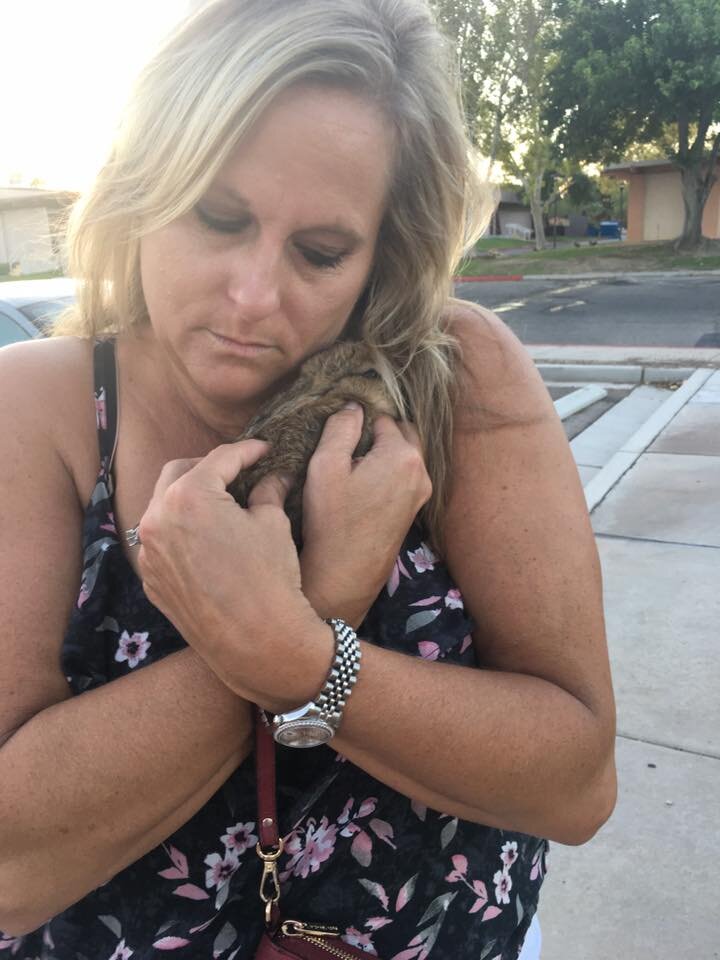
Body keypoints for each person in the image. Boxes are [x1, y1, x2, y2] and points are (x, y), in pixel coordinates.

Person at [0, 1, 617, 957]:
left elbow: (576, 785)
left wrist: (299, 658)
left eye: (321, 253)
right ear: (143, 186)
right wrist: (317, 603)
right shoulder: (32, 411)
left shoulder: (455, 380)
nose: (254, 296)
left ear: (381, 255)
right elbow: (11, 863)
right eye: (218, 215)